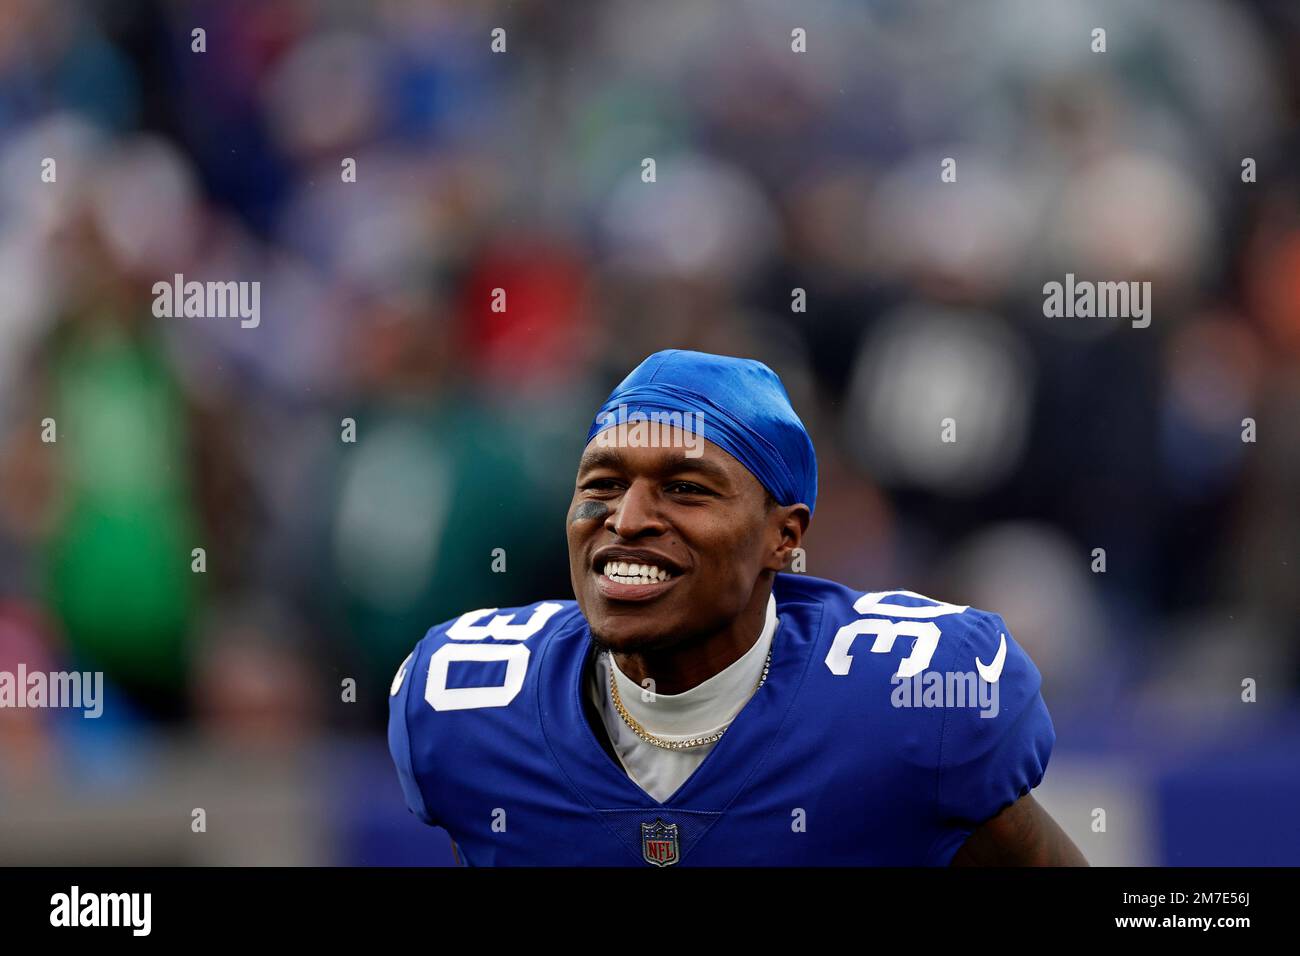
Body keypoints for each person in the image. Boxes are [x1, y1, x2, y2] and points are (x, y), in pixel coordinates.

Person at [388, 349, 1086, 865]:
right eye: (604, 481)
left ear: (784, 538)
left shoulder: (912, 702)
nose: (627, 519)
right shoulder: (465, 705)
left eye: (686, 488)